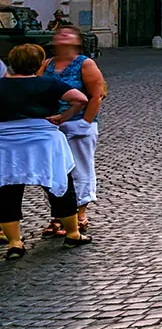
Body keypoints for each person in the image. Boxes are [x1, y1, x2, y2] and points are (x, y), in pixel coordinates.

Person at [1, 44, 90, 259]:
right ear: (39, 63)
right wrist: (63, 116)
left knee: (6, 192)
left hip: (6, 144)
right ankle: (73, 234)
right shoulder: (49, 83)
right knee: (60, 186)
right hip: (44, 142)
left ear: (12, 63)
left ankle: (14, 243)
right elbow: (80, 99)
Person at [38, 25, 104, 237]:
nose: (64, 34)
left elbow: (97, 95)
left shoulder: (85, 64)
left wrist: (85, 122)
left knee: (79, 169)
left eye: (69, 33)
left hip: (78, 124)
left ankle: (80, 215)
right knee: (54, 171)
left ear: (77, 41)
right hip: (51, 126)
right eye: (60, 32)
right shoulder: (47, 64)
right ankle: (59, 215)